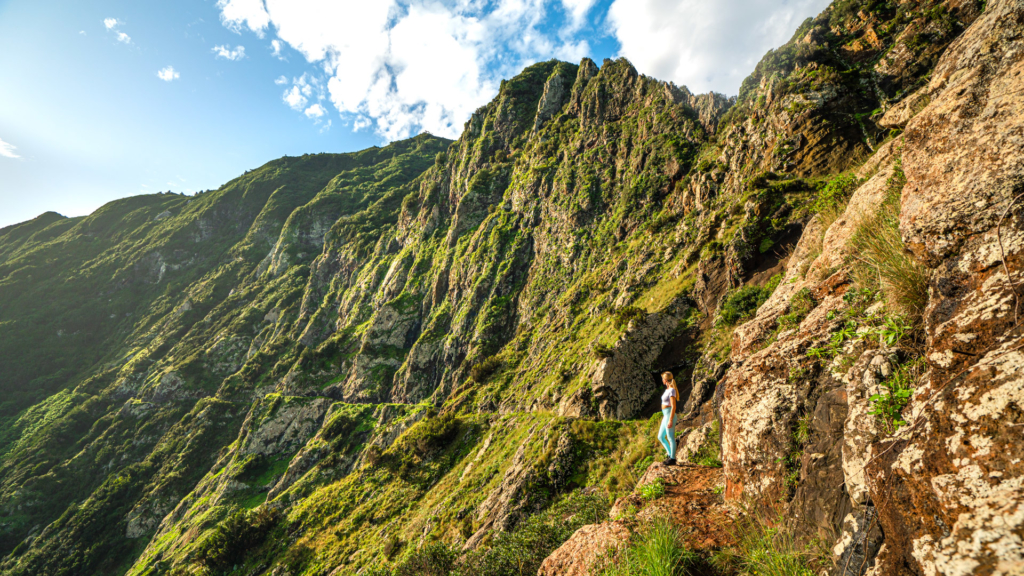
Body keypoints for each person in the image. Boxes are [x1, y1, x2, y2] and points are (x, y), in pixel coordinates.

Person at [658, 371, 678, 465]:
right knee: (660, 437)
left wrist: (670, 420)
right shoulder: (667, 389)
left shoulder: (672, 390)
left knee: (670, 437)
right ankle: (670, 455)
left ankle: (673, 459)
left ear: (665, 380)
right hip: (665, 415)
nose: (662, 380)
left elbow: (674, 406)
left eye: (663, 378)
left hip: (669, 415)